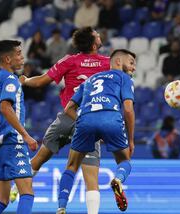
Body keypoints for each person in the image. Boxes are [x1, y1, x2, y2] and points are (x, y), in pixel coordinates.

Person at [10, 27, 110, 214]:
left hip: (67, 118)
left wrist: (25, 81)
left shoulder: (69, 60)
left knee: (39, 159)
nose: (99, 34)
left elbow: (41, 81)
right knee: (91, 178)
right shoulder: (108, 63)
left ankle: (17, 188)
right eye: (97, 34)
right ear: (94, 42)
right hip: (89, 123)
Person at [57, 49, 136, 213]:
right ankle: (118, 179)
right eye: (131, 62)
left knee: (71, 165)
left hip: (86, 118)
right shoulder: (124, 78)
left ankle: (61, 207)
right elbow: (128, 109)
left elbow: (68, 109)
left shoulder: (91, 79)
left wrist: (85, 120)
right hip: (111, 117)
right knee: (124, 161)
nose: (134, 68)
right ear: (118, 62)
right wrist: (131, 139)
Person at [0, 40, 38, 214]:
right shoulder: (10, 79)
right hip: (12, 142)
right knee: (27, 193)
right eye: (18, 53)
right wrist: (26, 136)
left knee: (1, 200)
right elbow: (5, 107)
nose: (22, 56)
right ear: (7, 59)